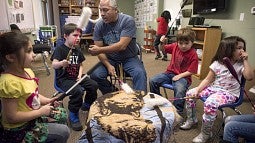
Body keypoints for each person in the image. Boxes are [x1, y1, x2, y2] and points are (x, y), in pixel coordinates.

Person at [180, 36, 254, 143]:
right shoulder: (217, 64)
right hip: (214, 88)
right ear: (228, 49)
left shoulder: (241, 65)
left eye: (243, 48)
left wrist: (246, 61)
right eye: (238, 48)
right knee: (190, 93)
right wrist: (198, 90)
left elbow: (249, 77)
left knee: (210, 103)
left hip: (230, 93)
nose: (242, 51)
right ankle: (192, 119)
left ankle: (206, 133)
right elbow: (208, 79)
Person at [0, 32, 70, 142]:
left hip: (32, 115)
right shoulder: (9, 83)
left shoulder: (28, 71)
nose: (33, 54)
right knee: (63, 132)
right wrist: (41, 112)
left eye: (32, 50)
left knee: (62, 114)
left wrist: (48, 100)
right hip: (19, 129)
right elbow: (11, 117)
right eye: (28, 51)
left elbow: (33, 96)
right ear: (11, 57)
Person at [88, 0, 147, 95]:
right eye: (100, 10)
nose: (102, 14)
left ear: (116, 10)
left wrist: (99, 50)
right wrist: (108, 65)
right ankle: (114, 94)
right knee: (95, 75)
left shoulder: (127, 21)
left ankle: (140, 100)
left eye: (105, 10)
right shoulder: (99, 25)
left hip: (129, 58)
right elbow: (99, 52)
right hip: (110, 59)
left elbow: (122, 46)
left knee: (140, 74)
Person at [51, 23, 98, 131]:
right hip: (64, 79)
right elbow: (54, 64)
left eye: (80, 36)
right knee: (77, 91)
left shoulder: (77, 50)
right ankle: (73, 115)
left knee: (93, 85)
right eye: (75, 35)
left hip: (76, 77)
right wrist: (61, 64)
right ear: (66, 36)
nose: (78, 38)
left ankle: (86, 104)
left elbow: (81, 64)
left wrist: (79, 74)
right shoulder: (60, 49)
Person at [149, 27, 198, 115]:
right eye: (180, 43)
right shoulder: (175, 46)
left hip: (184, 77)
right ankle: (158, 102)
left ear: (192, 42)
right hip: (169, 73)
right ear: (177, 42)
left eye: (186, 43)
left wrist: (180, 76)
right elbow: (163, 49)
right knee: (153, 80)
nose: (183, 46)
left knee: (180, 89)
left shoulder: (193, 54)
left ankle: (178, 111)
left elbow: (192, 71)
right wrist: (162, 42)